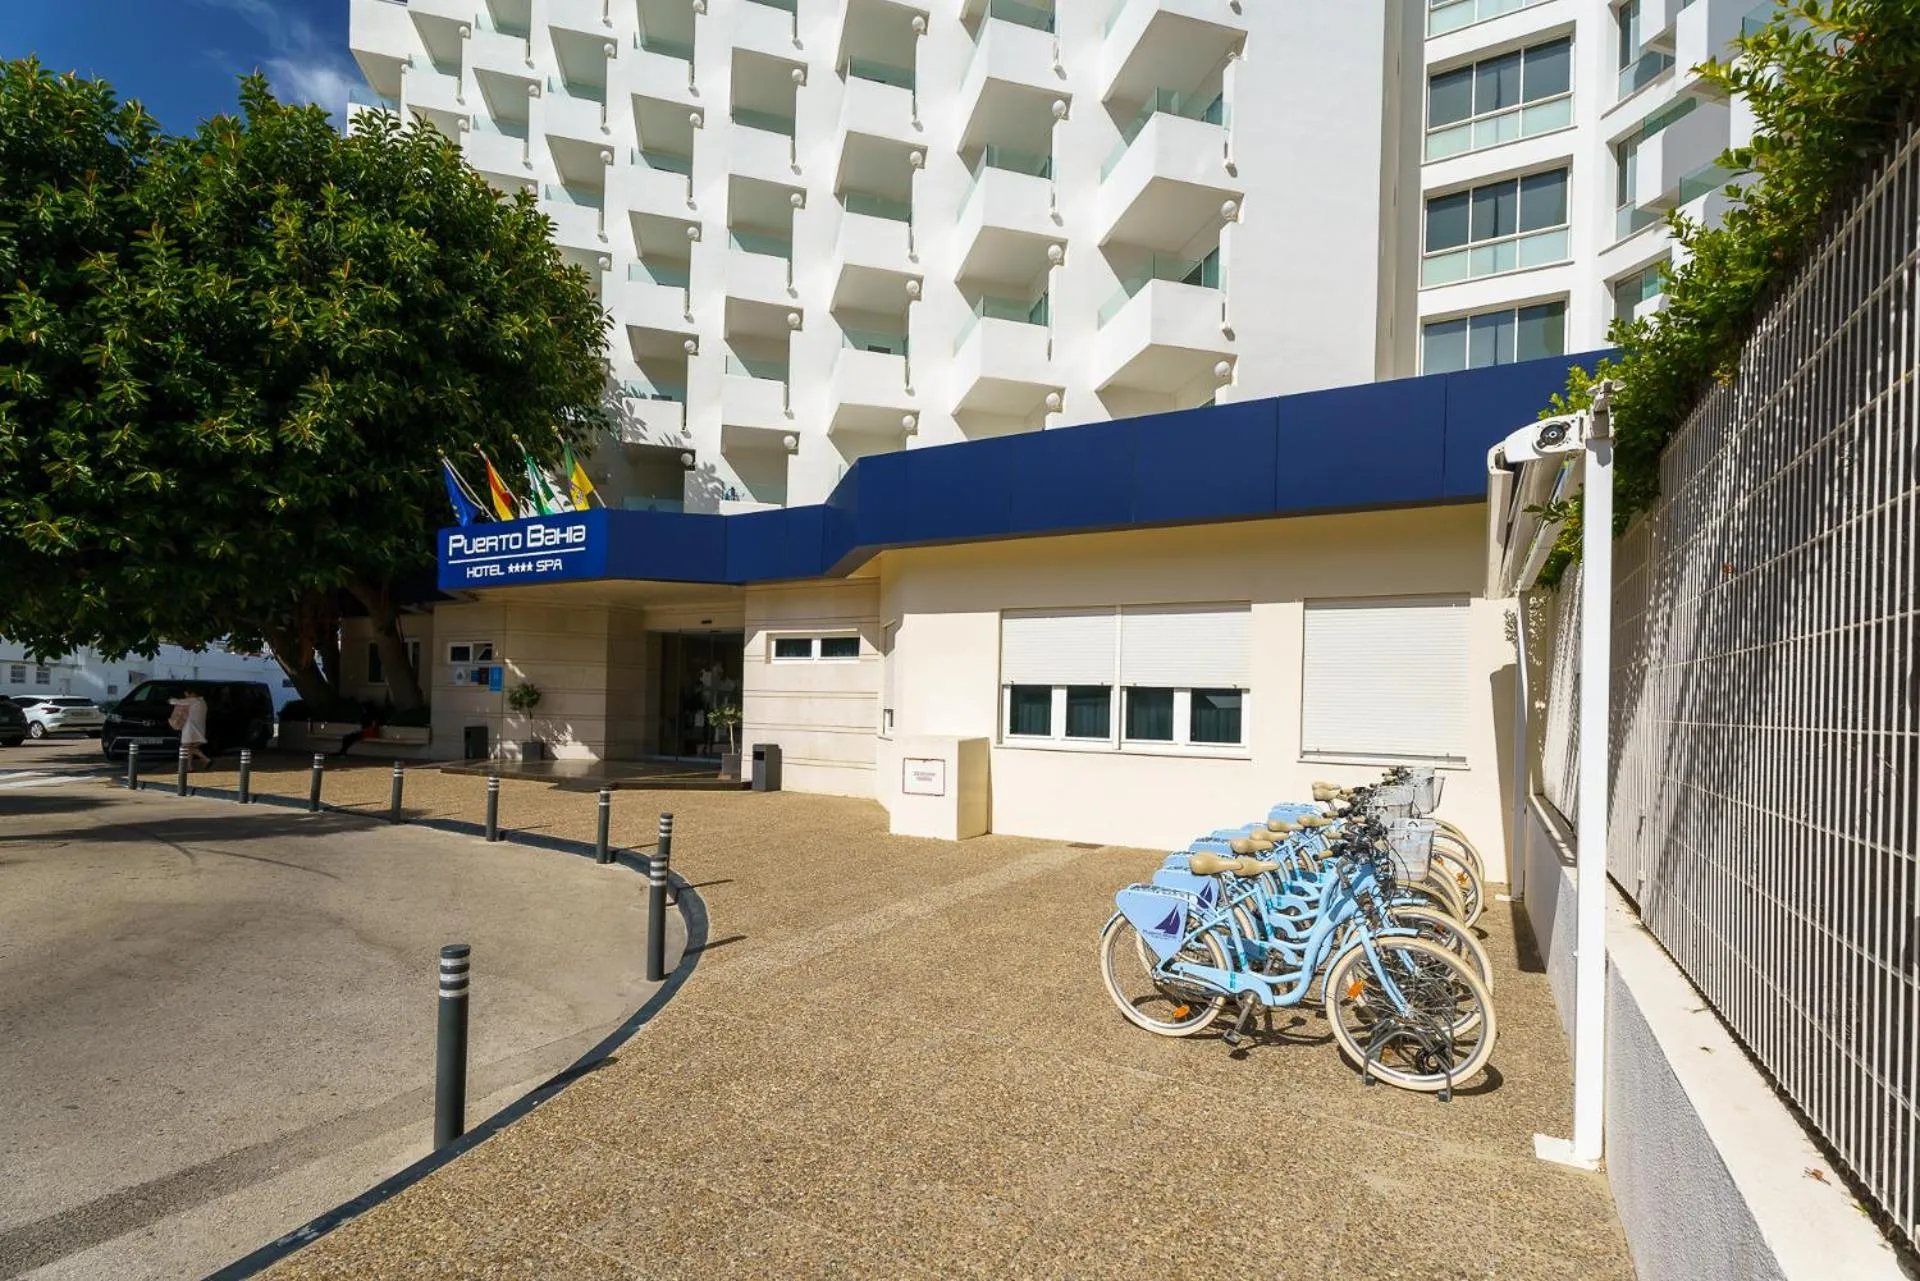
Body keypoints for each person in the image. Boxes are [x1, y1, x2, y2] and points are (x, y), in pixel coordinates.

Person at [169, 688, 212, 771]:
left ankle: (206, 759)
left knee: (184, 747)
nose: (186, 696)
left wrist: (170, 700)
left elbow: (176, 701)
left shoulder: (192, 700)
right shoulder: (202, 702)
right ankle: (189, 767)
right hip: (199, 728)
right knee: (189, 747)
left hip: (190, 727)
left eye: (186, 694)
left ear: (189, 693)